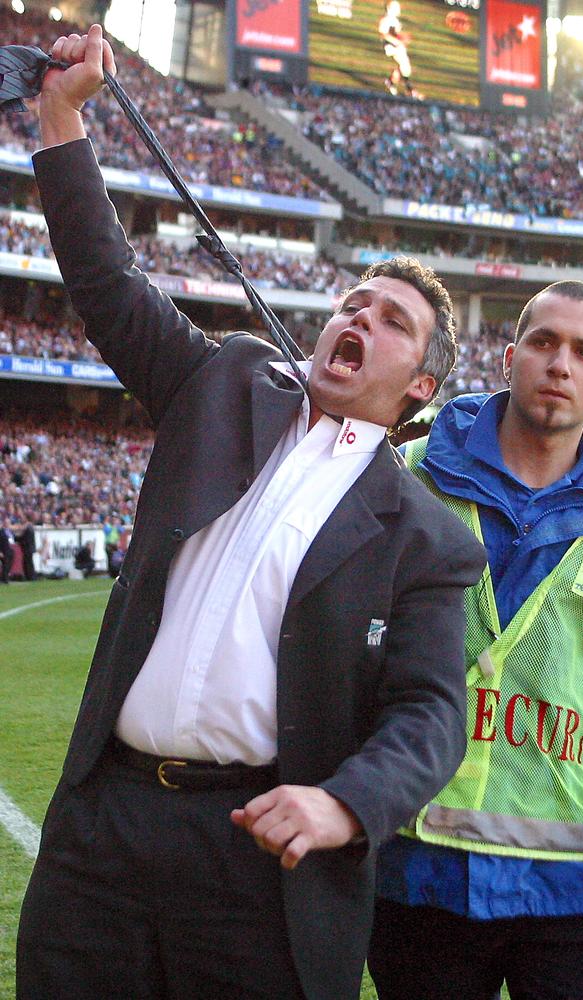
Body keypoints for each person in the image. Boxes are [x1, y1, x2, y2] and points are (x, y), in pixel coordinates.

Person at [16, 25, 486, 1000]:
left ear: (421, 386)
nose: (358, 318)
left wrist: (344, 803)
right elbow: (108, 284)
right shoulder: (226, 382)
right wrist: (61, 120)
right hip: (103, 832)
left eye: (391, 321)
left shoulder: (429, 540)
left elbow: (431, 714)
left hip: (261, 862)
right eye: (353, 302)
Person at [368, 281, 583, 1000]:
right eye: (544, 342)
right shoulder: (408, 478)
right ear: (508, 358)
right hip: (419, 874)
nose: (561, 363)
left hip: (571, 892)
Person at [378, 0, 420, 98]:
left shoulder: (395, 21)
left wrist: (403, 38)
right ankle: (409, 89)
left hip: (397, 46)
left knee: (402, 66)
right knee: (405, 65)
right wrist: (398, 42)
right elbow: (384, 35)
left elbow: (396, 35)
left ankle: (391, 82)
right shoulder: (386, 20)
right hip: (390, 46)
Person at [18, 515, 37, 581]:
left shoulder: (28, 527)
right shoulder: (30, 526)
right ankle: (31, 576)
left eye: (23, 518)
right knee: (29, 562)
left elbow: (24, 538)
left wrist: (15, 538)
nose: (21, 519)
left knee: (28, 563)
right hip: (30, 547)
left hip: (28, 548)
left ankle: (30, 577)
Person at [0, 515, 14, 583]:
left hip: (10, 549)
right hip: (4, 550)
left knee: (9, 564)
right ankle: (5, 579)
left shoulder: (10, 531)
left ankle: (5, 577)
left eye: (8, 523)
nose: (7, 524)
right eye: (6, 522)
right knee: (5, 565)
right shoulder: (1, 531)